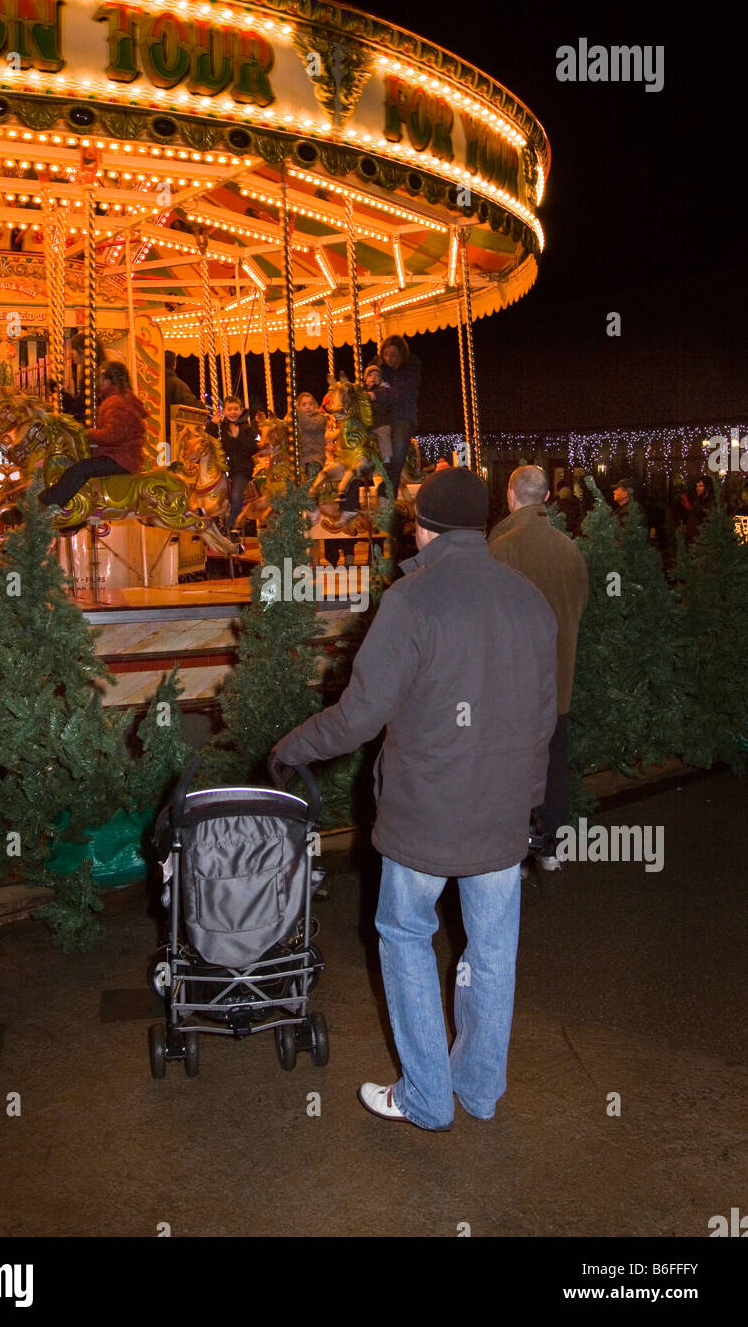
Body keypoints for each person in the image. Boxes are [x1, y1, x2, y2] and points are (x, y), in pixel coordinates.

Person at [270, 468, 557, 1130]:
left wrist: (293, 748)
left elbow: (361, 714)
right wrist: (532, 802)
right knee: (492, 953)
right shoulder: (527, 599)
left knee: (405, 937)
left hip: (424, 815)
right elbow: (544, 722)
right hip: (500, 817)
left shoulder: (412, 599)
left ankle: (428, 1096)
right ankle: (479, 1091)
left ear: (423, 527)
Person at [487, 466, 589, 873]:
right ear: (546, 498)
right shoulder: (570, 549)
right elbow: (579, 608)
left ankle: (511, 849)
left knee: (510, 768)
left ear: (512, 496)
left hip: (511, 685)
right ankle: (552, 846)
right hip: (558, 681)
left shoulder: (499, 547)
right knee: (553, 763)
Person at [39, 361, 146, 509]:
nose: (97, 383)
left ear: (109, 380)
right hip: (120, 455)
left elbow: (112, 435)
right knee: (79, 464)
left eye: (100, 380)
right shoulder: (118, 400)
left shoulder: (117, 402)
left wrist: (87, 433)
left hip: (121, 458)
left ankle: (50, 503)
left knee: (82, 469)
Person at [206, 396, 258, 532]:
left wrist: (237, 438)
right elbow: (210, 440)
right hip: (222, 469)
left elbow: (252, 448)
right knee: (211, 496)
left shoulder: (247, 428)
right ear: (224, 411)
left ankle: (234, 525)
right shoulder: (220, 428)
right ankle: (213, 527)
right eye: (230, 409)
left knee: (235, 495)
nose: (233, 412)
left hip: (241, 469)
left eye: (236, 409)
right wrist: (212, 424)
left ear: (241, 411)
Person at [378, 334, 421, 495]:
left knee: (397, 454)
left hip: (403, 417)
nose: (390, 358)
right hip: (384, 418)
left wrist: (381, 394)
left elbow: (402, 393)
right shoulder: (380, 371)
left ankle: (388, 494)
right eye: (387, 354)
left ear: (402, 354)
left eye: (394, 355)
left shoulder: (410, 370)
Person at [52, 332, 108, 426]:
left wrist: (60, 393)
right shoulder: (89, 373)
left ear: (83, 350)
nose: (71, 353)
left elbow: (81, 406)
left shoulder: (94, 375)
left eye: (74, 349)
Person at [362, 363, 393, 467]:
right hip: (367, 425)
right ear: (366, 379)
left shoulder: (383, 390)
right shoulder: (363, 391)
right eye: (370, 376)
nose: (373, 378)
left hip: (381, 422)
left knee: (383, 432)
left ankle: (386, 459)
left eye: (377, 376)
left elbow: (370, 397)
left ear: (381, 379)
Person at [164, 350, 201, 432]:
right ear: (174, 364)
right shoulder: (176, 384)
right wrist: (201, 405)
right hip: (171, 433)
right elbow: (192, 405)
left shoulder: (156, 382)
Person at [293, 392, 326, 476]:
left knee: (312, 473)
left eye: (311, 404)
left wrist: (297, 412)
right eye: (304, 405)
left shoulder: (320, 418)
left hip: (314, 458)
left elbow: (310, 425)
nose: (308, 407)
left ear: (315, 405)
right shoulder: (297, 422)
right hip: (299, 460)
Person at [677, 474, 714, 543]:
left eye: (700, 486)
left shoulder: (711, 502)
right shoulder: (697, 500)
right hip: (692, 538)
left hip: (702, 539)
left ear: (707, 487)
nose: (697, 488)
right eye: (697, 486)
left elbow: (702, 515)